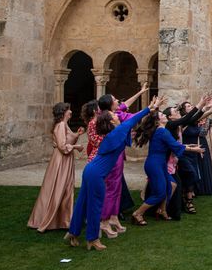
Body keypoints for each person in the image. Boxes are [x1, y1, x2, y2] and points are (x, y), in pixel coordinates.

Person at [64, 96, 163, 251]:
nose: (117, 115)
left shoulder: (114, 134)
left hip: (91, 170)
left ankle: (73, 233)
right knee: (95, 206)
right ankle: (92, 239)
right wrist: (150, 109)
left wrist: (151, 109)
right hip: (96, 173)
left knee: (83, 202)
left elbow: (130, 124)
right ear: (111, 122)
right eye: (114, 116)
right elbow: (133, 119)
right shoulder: (115, 134)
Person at [131, 109, 203, 225]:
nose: (164, 115)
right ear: (158, 120)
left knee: (172, 184)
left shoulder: (162, 131)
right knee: (159, 193)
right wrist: (194, 149)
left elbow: (172, 144)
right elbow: (174, 145)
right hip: (154, 165)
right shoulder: (162, 131)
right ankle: (138, 213)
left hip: (159, 164)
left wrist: (188, 145)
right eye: (162, 115)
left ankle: (162, 209)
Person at [97, 83, 149, 237]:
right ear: (109, 104)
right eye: (115, 100)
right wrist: (150, 109)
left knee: (117, 187)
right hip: (113, 156)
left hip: (118, 154)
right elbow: (133, 117)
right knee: (112, 188)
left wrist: (140, 92)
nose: (118, 101)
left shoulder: (113, 113)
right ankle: (104, 222)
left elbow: (126, 105)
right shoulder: (112, 117)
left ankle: (113, 217)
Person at [28, 103, 84, 232]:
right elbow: (63, 147)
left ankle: (63, 220)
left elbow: (67, 140)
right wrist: (77, 147)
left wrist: (77, 134)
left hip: (66, 160)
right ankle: (50, 219)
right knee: (58, 187)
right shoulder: (61, 125)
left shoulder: (65, 125)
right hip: (61, 161)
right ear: (63, 112)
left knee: (65, 188)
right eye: (68, 110)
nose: (70, 111)